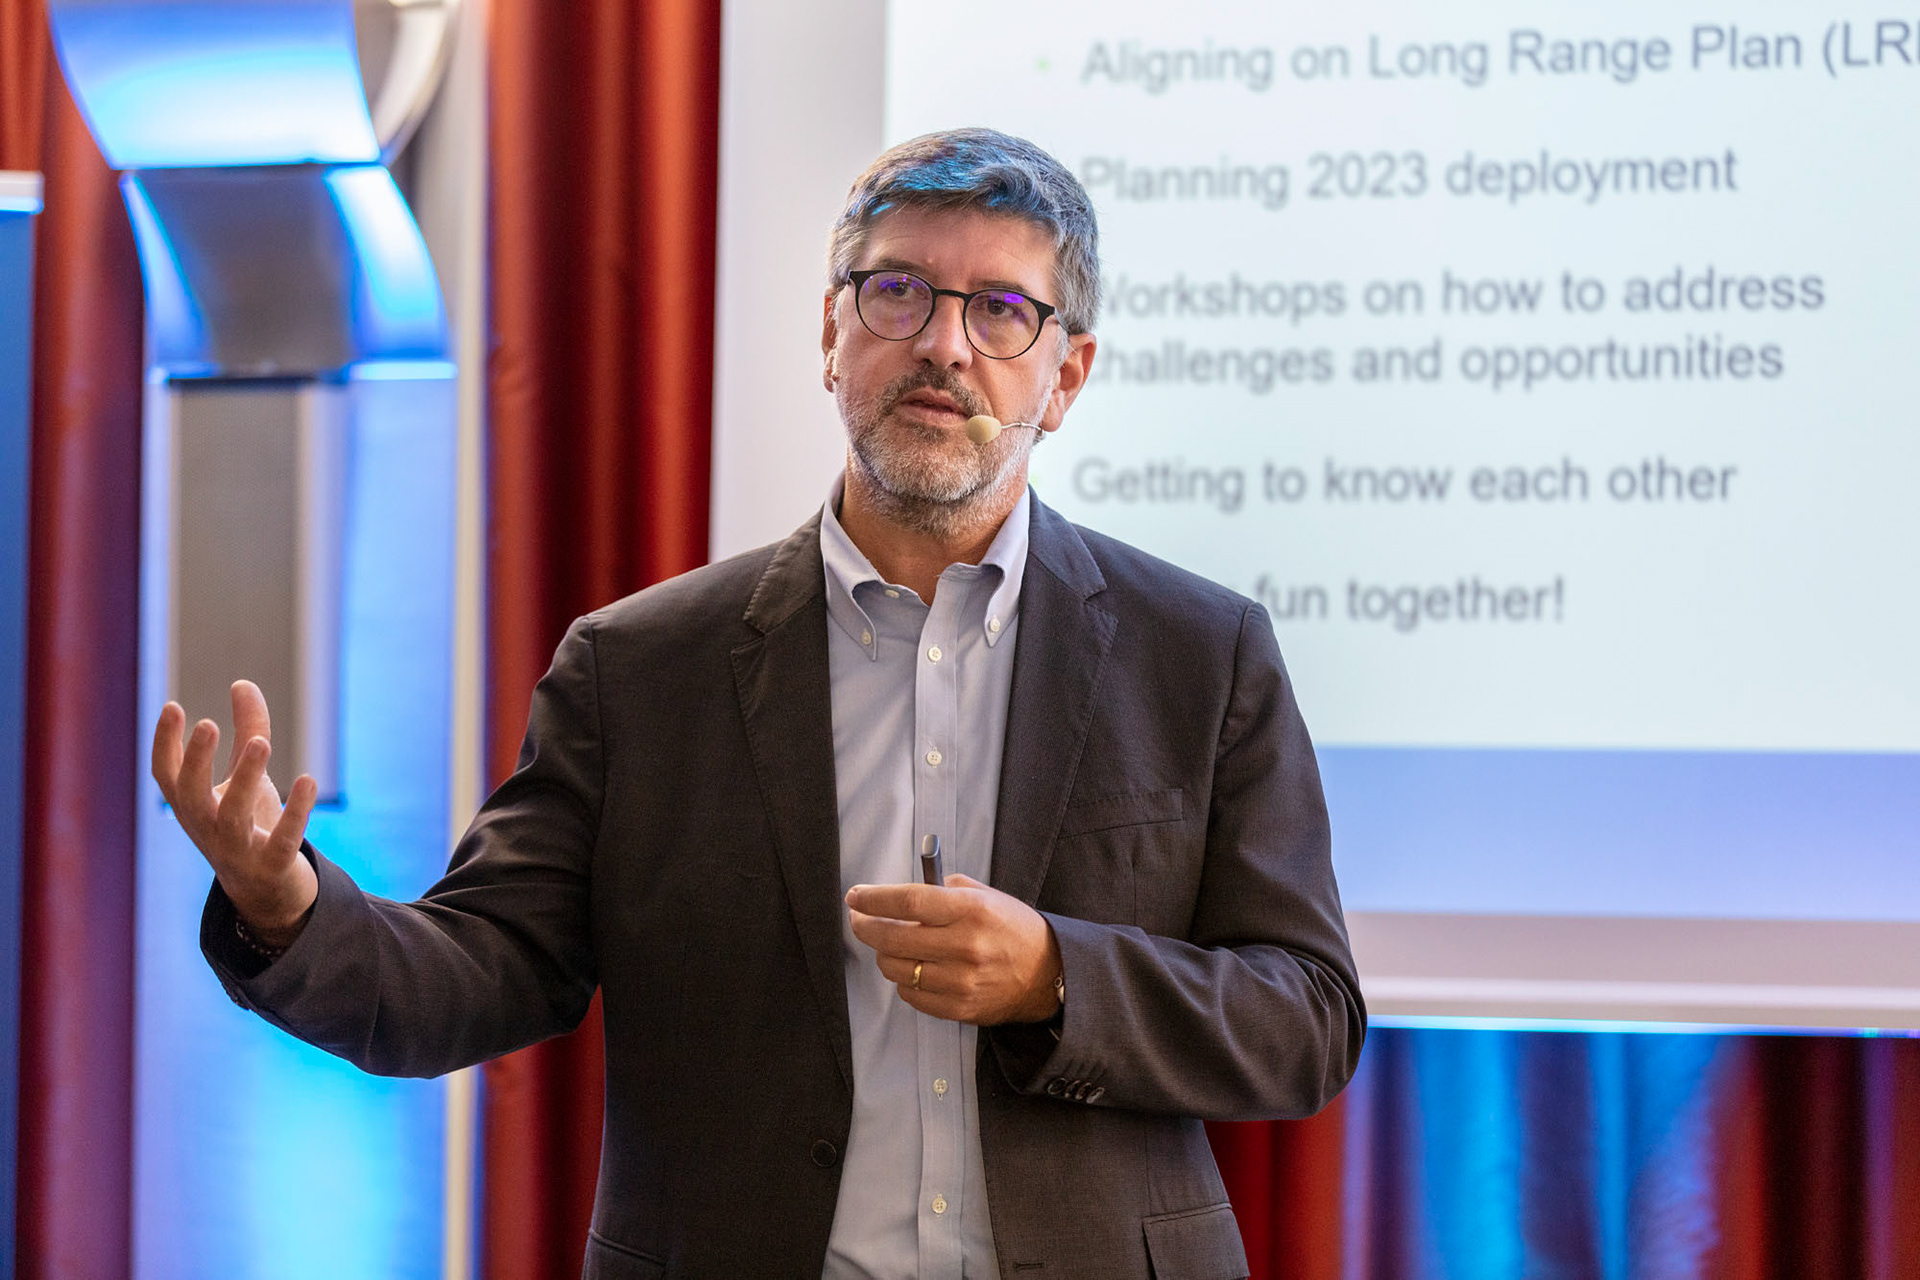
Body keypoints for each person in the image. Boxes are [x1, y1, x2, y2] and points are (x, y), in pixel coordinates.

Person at [152, 128, 1364, 1280]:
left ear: (1067, 376)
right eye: (899, 292)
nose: (944, 344)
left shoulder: (1200, 656)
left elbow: (1305, 1017)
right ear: (833, 334)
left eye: (1001, 309)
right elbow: (478, 969)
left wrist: (1057, 974)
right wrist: (288, 905)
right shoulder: (639, 669)